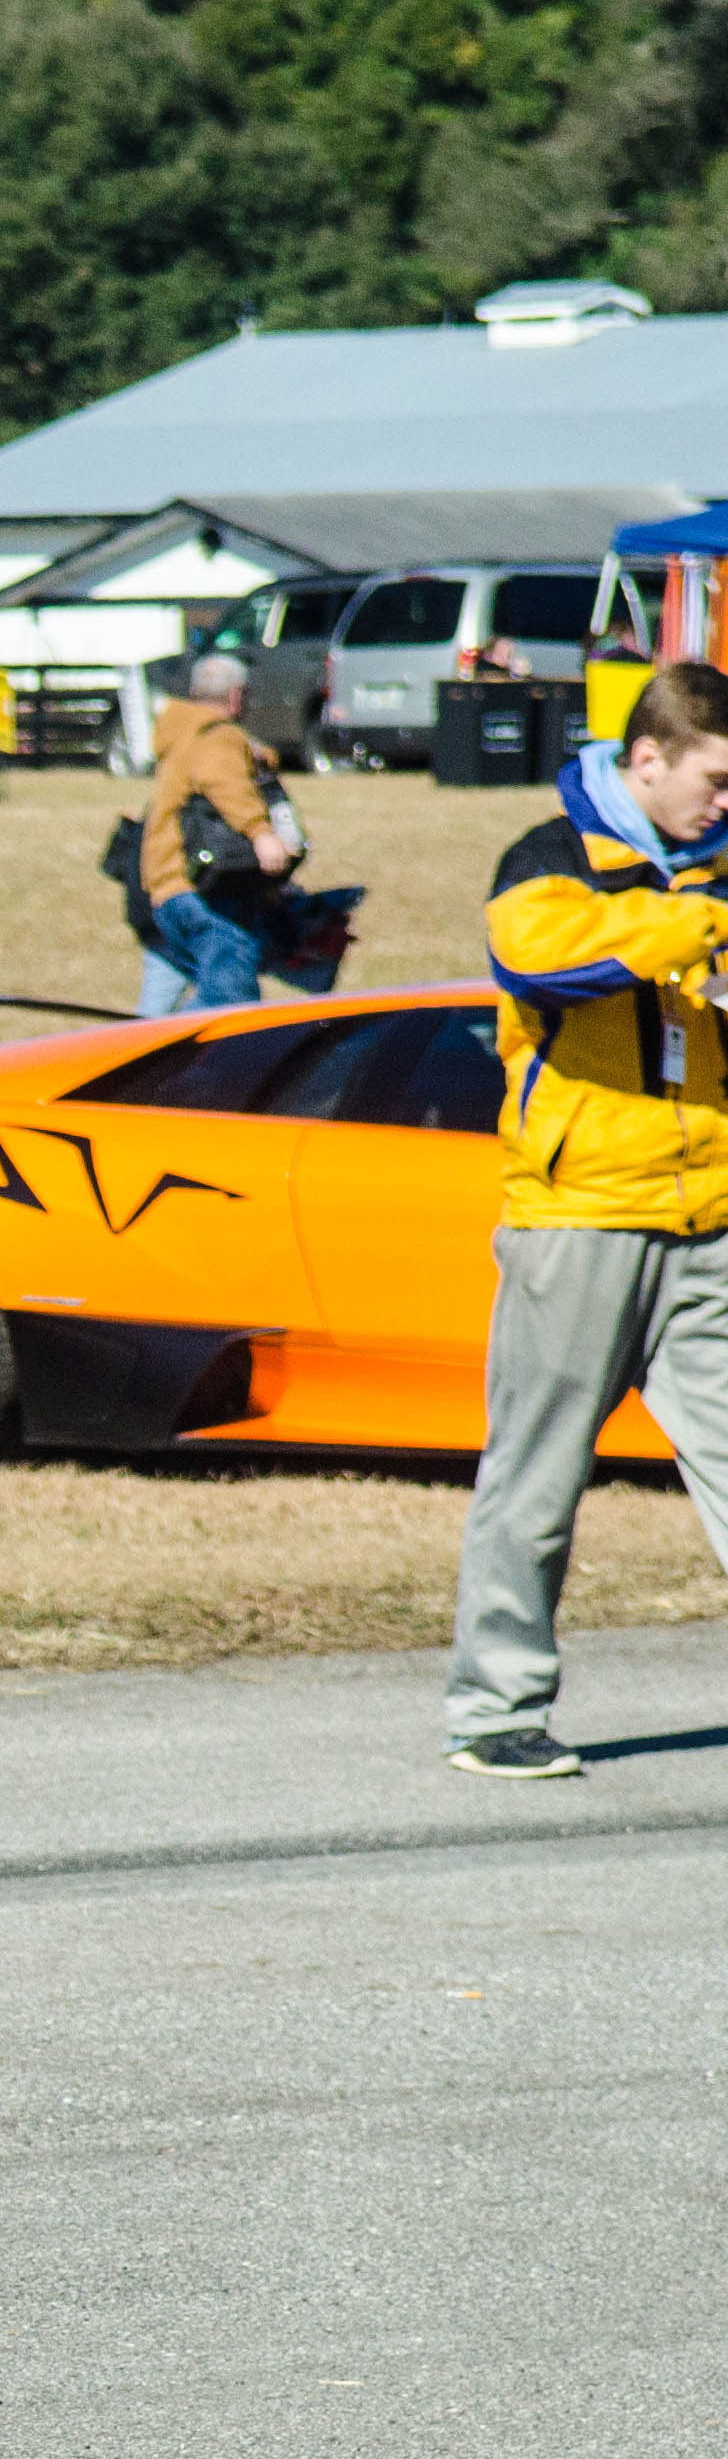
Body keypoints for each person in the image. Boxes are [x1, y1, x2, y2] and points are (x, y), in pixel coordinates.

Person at [442, 655, 728, 1775]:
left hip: (705, 1217)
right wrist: (688, 920)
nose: (722, 803)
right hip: (578, 1219)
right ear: (645, 758)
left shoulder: (707, 873)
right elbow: (533, 960)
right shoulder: (549, 860)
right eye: (712, 778)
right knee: (536, 1478)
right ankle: (492, 1712)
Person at [139, 652, 306, 1007]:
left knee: (199, 997)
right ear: (235, 695)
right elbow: (225, 782)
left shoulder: (182, 730)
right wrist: (261, 833)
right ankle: (157, 1059)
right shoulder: (219, 738)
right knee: (230, 1007)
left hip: (167, 889)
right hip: (202, 893)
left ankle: (153, 1052)